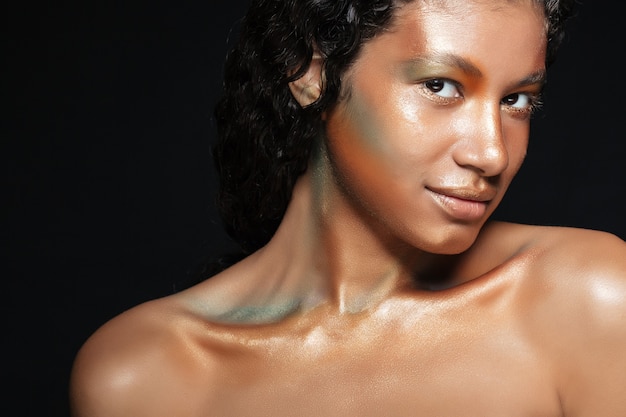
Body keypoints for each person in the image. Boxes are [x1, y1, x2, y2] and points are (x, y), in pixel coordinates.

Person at [69, 0, 626, 415]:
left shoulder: (586, 300)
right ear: (310, 74)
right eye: (440, 85)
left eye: (516, 100)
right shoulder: (145, 377)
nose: (491, 152)